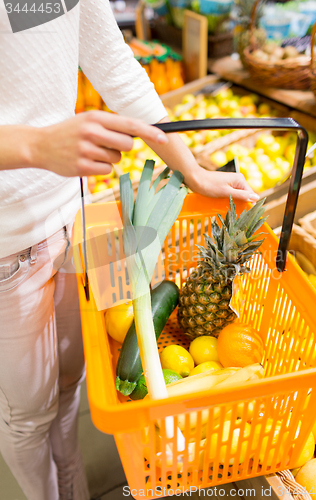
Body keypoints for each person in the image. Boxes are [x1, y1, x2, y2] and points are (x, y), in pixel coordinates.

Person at [0, 0, 258, 499]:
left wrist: (187, 165)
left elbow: (110, 57)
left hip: (71, 219)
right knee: (29, 414)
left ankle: (71, 487)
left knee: (72, 382)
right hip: (6, 247)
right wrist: (34, 146)